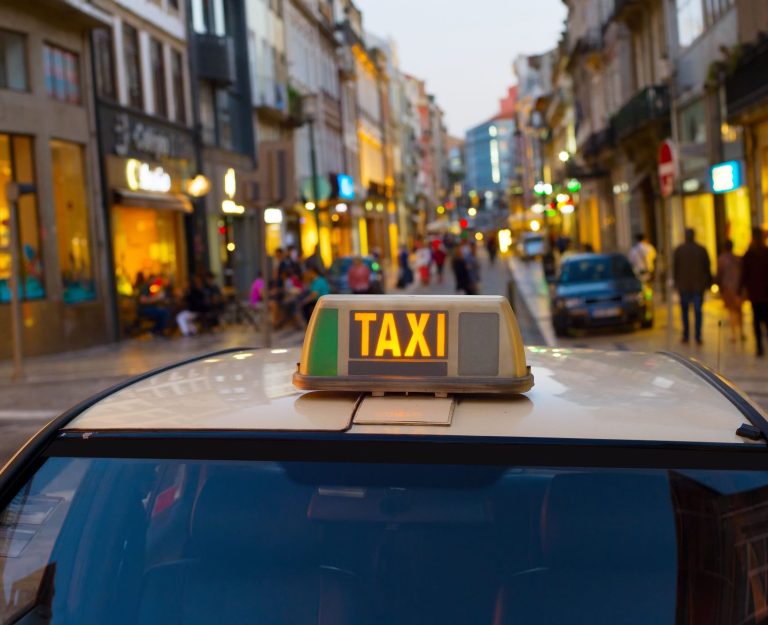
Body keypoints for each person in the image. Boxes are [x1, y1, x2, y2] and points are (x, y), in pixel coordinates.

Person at [673, 228, 712, 346]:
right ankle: (696, 336)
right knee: (696, 311)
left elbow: (675, 269)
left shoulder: (680, 250)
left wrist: (677, 283)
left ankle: (688, 335)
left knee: (689, 311)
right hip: (695, 286)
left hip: (689, 286)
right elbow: (707, 268)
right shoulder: (699, 250)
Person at [741, 227, 768, 357]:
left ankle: (759, 347)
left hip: (755, 293)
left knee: (757, 320)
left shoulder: (749, 254)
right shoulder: (765, 252)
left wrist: (742, 289)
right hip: (765, 292)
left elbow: (744, 274)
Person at [716, 240, 744, 344]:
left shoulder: (722, 259)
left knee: (732, 311)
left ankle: (734, 334)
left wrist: (719, 285)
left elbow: (719, 274)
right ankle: (741, 332)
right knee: (738, 310)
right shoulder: (738, 258)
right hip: (738, 286)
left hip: (728, 287)